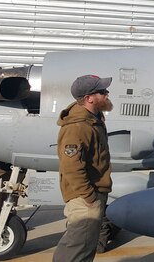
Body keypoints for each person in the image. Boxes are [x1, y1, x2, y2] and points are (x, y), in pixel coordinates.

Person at [53, 74, 113, 262]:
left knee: (77, 246)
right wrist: (89, 198)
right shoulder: (78, 126)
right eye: (102, 91)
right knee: (79, 250)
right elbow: (71, 167)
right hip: (85, 199)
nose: (107, 93)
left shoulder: (94, 119)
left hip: (91, 195)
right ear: (89, 98)